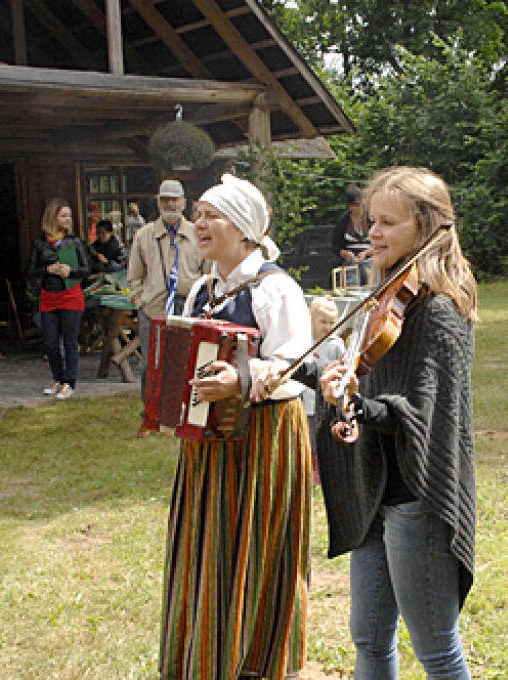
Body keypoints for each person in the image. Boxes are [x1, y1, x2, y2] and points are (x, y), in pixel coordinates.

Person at [305, 167, 479, 680]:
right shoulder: (387, 294)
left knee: (437, 651)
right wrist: (332, 379)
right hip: (375, 487)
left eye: (387, 223)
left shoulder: (439, 309)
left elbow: (425, 414)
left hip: (416, 496)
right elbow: (371, 380)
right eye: (371, 221)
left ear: (426, 228)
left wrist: (358, 405)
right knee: (369, 639)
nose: (372, 234)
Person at [160, 174, 312, 680]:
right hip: (208, 442)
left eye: (211, 215)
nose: (198, 223)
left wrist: (242, 379)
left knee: (257, 545)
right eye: (197, 214)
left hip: (264, 436)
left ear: (244, 229)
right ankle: (207, 653)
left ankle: (255, 661)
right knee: (207, 542)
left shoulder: (275, 287)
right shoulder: (202, 289)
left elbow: (295, 362)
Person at [127, 179, 205, 419]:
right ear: (158, 201)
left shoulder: (197, 233)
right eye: (165, 199)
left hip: (188, 307)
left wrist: (202, 303)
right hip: (154, 309)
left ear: (184, 202)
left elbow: (208, 274)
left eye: (175, 199)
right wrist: (141, 301)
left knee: (187, 362)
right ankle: (151, 412)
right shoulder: (144, 235)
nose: (170, 203)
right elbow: (134, 276)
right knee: (150, 365)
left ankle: (182, 412)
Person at [27, 199, 91, 400]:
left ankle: (69, 382)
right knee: (51, 341)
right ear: (52, 217)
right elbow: (30, 272)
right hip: (48, 295)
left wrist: (70, 270)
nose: (68, 220)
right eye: (63, 215)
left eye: (69, 216)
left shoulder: (75, 241)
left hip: (70, 295)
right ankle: (58, 377)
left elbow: (87, 269)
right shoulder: (39, 243)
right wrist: (47, 269)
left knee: (70, 340)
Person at [301, 296, 346, 484]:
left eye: (331, 323)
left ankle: (322, 469)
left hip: (326, 399)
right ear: (311, 319)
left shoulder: (335, 344)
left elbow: (344, 366)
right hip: (306, 399)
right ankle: (308, 469)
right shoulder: (303, 340)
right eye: (323, 322)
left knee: (323, 435)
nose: (328, 326)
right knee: (308, 435)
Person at [331, 183, 372, 285]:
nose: (353, 208)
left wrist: (366, 253)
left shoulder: (372, 218)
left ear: (363, 202)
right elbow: (335, 247)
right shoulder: (343, 221)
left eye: (356, 205)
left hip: (370, 262)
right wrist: (345, 253)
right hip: (350, 264)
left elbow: (381, 244)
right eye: (351, 205)